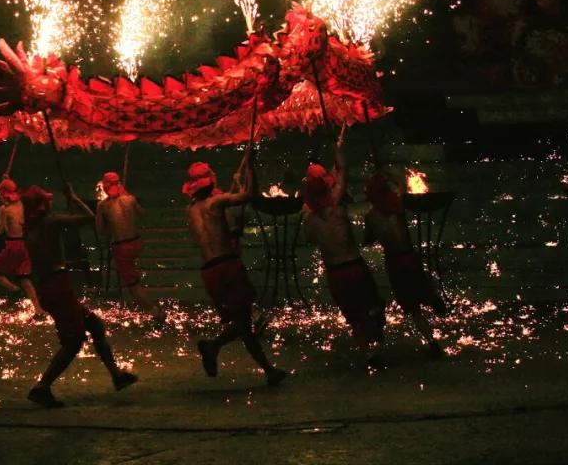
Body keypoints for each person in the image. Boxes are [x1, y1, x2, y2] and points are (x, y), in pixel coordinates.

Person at [23, 184, 138, 408]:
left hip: (50, 286)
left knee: (94, 325)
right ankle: (42, 388)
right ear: (42, 205)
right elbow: (88, 217)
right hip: (57, 286)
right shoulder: (50, 222)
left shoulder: (30, 227)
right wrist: (74, 197)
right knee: (73, 341)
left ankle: (116, 376)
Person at [184, 162, 288, 386]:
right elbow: (250, 195)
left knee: (241, 322)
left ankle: (263, 368)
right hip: (227, 266)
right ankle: (218, 348)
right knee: (244, 324)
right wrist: (252, 168)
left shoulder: (190, 210)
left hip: (209, 272)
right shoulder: (217, 202)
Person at [301, 128, 387, 368]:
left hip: (335, 273)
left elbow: (309, 238)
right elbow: (343, 170)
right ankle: (376, 338)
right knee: (373, 307)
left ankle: (369, 354)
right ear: (327, 187)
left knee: (354, 318)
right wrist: (333, 144)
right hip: (354, 266)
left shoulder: (309, 220)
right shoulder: (337, 206)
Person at [364, 170, 447, 358]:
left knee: (413, 308)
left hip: (395, 263)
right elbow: (401, 185)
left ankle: (433, 343)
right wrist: (388, 174)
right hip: (410, 258)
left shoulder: (371, 217)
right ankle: (430, 298)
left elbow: (367, 241)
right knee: (421, 292)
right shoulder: (397, 204)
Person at [95, 171, 165, 324]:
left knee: (133, 284)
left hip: (122, 247)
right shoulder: (131, 199)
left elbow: (100, 230)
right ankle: (153, 307)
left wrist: (108, 223)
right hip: (137, 242)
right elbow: (142, 214)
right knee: (133, 276)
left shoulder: (103, 206)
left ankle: (155, 311)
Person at [0, 177, 45, 317]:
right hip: (24, 245)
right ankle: (38, 310)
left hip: (13, 245)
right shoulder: (22, 204)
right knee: (25, 279)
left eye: (0, 192)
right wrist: (6, 181)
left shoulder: (4, 209)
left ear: (4, 194)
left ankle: (13, 289)